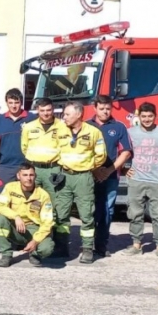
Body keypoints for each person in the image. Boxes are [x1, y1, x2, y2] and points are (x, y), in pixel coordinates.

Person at [123, 102, 158, 260]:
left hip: (157, 181)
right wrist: (124, 169)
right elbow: (121, 152)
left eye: (150, 116)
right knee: (135, 214)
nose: (147, 119)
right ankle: (136, 245)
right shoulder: (130, 132)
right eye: (144, 116)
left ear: (155, 116)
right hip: (136, 180)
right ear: (139, 117)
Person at [57, 102, 106, 264]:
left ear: (78, 114)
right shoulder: (60, 130)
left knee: (86, 214)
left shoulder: (94, 132)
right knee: (62, 213)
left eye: (67, 114)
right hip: (64, 176)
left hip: (84, 177)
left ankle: (87, 249)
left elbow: (101, 155)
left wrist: (88, 166)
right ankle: (62, 248)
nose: (64, 117)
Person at [87, 95, 132, 258]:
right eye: (102, 108)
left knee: (107, 210)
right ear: (95, 108)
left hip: (111, 176)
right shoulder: (86, 126)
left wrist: (108, 170)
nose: (105, 111)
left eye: (108, 108)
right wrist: (95, 170)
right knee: (89, 211)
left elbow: (126, 152)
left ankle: (101, 245)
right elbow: (80, 152)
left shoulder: (119, 127)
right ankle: (86, 245)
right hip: (89, 175)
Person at [0, 162, 55, 267]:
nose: (28, 178)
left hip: (34, 230)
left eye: (31, 175)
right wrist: (16, 216)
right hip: (16, 227)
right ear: (18, 176)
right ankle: (6, 255)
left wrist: (35, 241)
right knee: (0, 219)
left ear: (35, 176)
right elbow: (1, 206)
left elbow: (47, 222)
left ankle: (35, 254)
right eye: (25, 175)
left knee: (47, 248)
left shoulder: (43, 195)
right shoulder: (10, 187)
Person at [20, 97, 67, 202]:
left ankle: (52, 218)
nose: (45, 113)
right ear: (37, 110)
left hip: (53, 169)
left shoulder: (63, 126)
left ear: (53, 109)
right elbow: (24, 148)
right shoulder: (28, 127)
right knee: (33, 199)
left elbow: (65, 148)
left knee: (53, 199)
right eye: (42, 110)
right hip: (33, 169)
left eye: (48, 110)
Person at [0, 89, 36, 183]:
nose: (13, 106)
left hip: (26, 165)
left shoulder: (32, 118)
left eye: (16, 102)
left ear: (21, 102)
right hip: (6, 166)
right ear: (6, 103)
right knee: (6, 194)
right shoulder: (0, 119)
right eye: (10, 102)